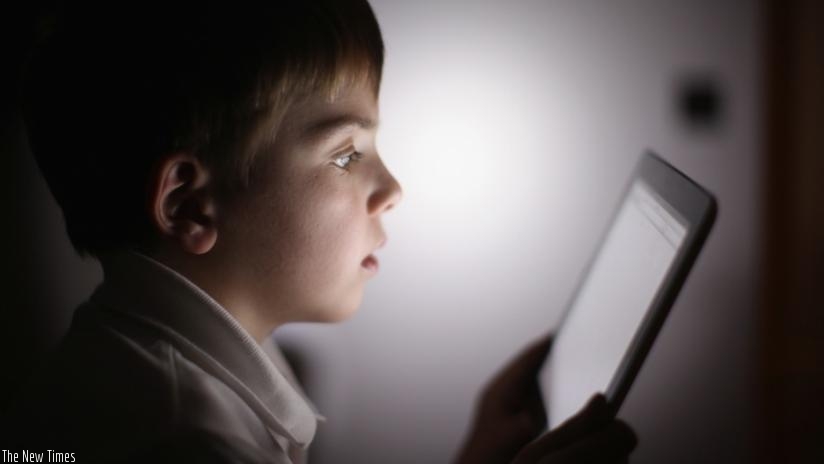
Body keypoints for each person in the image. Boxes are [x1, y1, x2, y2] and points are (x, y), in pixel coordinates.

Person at [9, 0, 636, 462]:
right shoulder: (186, 440)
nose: (392, 190)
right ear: (190, 207)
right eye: (346, 154)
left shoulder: (142, 359)